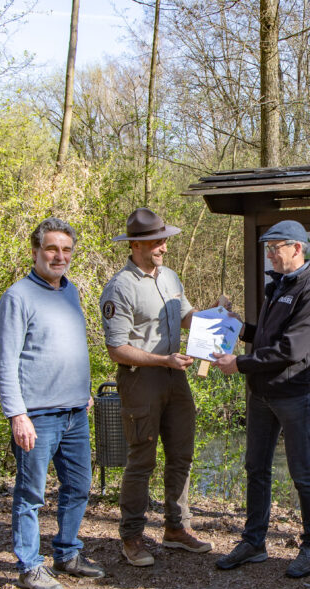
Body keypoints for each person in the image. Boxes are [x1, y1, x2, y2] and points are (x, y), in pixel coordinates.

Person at [211, 220, 310, 579]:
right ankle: (254, 542)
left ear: (296, 248)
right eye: (267, 248)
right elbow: (266, 337)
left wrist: (240, 364)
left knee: (302, 472)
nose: (269, 253)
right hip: (261, 394)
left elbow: (291, 349)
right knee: (256, 469)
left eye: (275, 247)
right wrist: (237, 326)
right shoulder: (277, 286)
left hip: (294, 394)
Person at [0, 217, 102, 589]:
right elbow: (5, 362)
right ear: (36, 251)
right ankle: (29, 566)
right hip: (36, 415)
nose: (60, 256)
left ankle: (68, 553)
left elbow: (68, 348)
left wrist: (83, 390)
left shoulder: (70, 292)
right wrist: (17, 414)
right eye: (52, 249)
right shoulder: (18, 296)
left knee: (79, 486)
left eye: (66, 249)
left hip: (75, 411)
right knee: (31, 494)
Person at [100, 207, 212, 567]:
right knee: (142, 460)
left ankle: (177, 529)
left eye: (164, 240)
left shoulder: (171, 278)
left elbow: (187, 317)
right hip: (141, 380)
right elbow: (116, 348)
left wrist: (214, 316)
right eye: (156, 241)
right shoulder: (120, 287)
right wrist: (162, 360)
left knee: (181, 454)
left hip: (175, 377)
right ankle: (132, 536)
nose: (164, 247)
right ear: (135, 245)